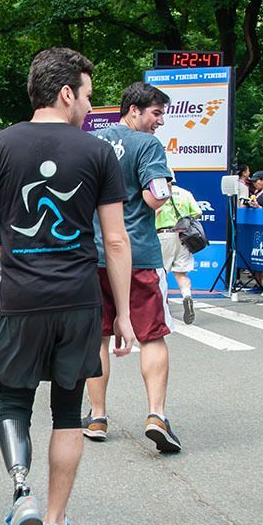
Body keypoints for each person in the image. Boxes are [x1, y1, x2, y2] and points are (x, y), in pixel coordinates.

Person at [0, 47, 134, 525]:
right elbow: (116, 240)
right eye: (88, 95)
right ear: (66, 93)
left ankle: (22, 495)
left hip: (22, 300)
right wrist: (123, 315)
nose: (91, 105)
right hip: (78, 301)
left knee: (14, 402)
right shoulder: (98, 152)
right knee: (67, 411)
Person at [84, 81, 182, 453]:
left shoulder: (91, 142)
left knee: (98, 337)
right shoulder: (147, 145)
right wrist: (165, 187)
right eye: (156, 113)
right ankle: (156, 415)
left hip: (93, 255)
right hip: (138, 254)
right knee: (152, 335)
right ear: (134, 109)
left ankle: (97, 416)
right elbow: (155, 197)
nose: (160, 122)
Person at [155, 171, 202, 324]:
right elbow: (197, 212)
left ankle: (161, 308)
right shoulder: (185, 193)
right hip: (184, 237)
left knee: (160, 274)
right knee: (181, 274)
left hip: (164, 235)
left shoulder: (159, 193)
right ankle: (187, 296)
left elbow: (155, 212)